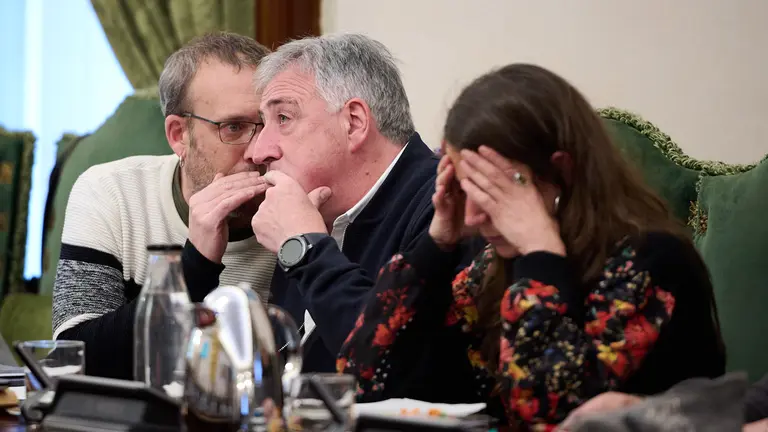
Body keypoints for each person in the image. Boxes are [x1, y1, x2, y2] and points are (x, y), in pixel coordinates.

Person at [338, 63, 726, 429]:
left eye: (495, 192)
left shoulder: (652, 262)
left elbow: (546, 413)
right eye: (464, 187)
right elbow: (364, 379)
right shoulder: (491, 264)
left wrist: (541, 252)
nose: (473, 215)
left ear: (561, 172)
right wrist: (436, 243)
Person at [183, 33, 478, 373]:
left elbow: (391, 368)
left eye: (283, 119)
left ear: (354, 122)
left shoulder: (446, 209)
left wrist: (306, 248)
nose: (257, 151)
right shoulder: (309, 208)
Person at [53, 32, 276, 380]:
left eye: (272, 124)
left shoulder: (308, 212)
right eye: (234, 127)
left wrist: (307, 247)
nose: (258, 150)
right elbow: (75, 360)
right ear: (178, 135)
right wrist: (195, 265)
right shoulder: (111, 193)